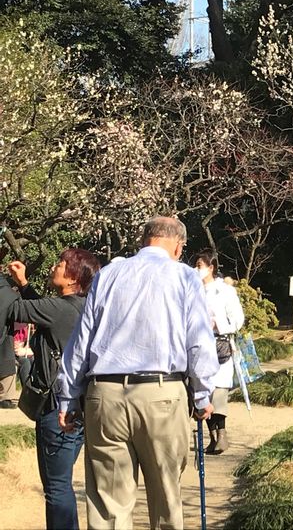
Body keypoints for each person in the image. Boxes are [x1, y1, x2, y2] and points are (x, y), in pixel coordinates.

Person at [57, 217, 219, 530]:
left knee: (108, 505)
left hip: (105, 395)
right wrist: (202, 396)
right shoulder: (185, 277)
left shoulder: (108, 275)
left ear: (143, 241)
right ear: (178, 246)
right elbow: (198, 342)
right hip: (162, 394)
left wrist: (68, 397)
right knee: (166, 498)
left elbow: (82, 340)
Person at [0, 249, 101, 530]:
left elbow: (15, 310)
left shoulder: (59, 308)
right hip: (78, 402)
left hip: (56, 408)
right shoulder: (80, 307)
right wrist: (23, 284)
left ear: (74, 278)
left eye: (61, 264)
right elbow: (43, 311)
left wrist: (3, 283)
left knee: (56, 487)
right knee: (62, 482)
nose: (54, 267)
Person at [190, 249, 245, 454]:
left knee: (218, 392)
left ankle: (221, 434)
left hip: (220, 345)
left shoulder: (225, 291)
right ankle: (213, 437)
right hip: (197, 347)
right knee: (202, 392)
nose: (197, 270)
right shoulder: (192, 289)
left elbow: (237, 320)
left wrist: (218, 324)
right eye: (195, 265)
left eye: (200, 266)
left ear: (211, 268)